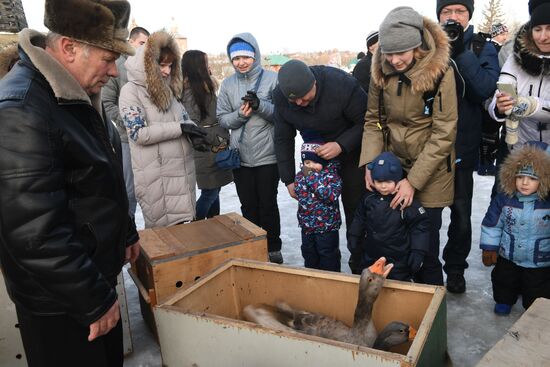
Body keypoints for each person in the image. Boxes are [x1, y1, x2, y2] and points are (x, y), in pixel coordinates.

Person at [0, 0, 140, 365]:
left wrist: (124, 231)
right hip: (63, 307)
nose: (113, 72)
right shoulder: (22, 110)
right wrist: (93, 299)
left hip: (88, 283)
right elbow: (33, 232)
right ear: (69, 48)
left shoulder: (75, 93)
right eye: (108, 59)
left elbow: (97, 174)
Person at [361, 6, 458, 286]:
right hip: (393, 167)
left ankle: (430, 315)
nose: (394, 60)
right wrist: (372, 163)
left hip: (432, 171)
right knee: (393, 246)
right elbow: (373, 120)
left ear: (416, 46)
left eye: (400, 53)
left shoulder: (441, 71)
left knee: (424, 249)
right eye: (388, 53)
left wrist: (413, 182)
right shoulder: (381, 68)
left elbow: (444, 132)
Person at [273, 59, 367, 274]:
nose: (299, 104)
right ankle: (321, 272)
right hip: (316, 161)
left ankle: (359, 266)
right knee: (317, 216)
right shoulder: (280, 98)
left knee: (355, 209)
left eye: (304, 97)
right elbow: (283, 138)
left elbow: (368, 121)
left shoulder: (341, 84)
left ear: (313, 82)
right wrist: (288, 178)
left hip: (351, 151)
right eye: (294, 101)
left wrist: (341, 145)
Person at [437, 0, 500, 293]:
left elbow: (485, 89)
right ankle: (427, 269)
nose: (453, 17)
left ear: (469, 15)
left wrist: (460, 51)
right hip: (430, 150)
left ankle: (455, 269)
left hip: (463, 147)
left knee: (460, 215)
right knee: (427, 214)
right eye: (446, 12)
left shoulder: (480, 48)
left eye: (459, 12)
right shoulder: (426, 45)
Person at [120, 30, 207, 228]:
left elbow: (184, 120)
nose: (167, 71)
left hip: (181, 177)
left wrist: (196, 135)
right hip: (157, 179)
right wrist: (180, 128)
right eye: (161, 65)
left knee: (185, 237)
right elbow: (138, 133)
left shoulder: (168, 89)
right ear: (148, 64)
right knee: (165, 241)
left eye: (170, 65)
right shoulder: (130, 91)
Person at [217, 33, 283, 263]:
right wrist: (239, 115)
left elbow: (281, 115)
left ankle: (273, 246)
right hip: (241, 156)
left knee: (268, 204)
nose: (241, 62)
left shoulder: (272, 80)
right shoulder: (227, 85)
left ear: (254, 55)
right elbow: (223, 120)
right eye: (236, 58)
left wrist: (260, 106)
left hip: (268, 155)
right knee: (248, 205)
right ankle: (253, 246)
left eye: (245, 56)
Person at [480, 142, 550, 315]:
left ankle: (533, 309)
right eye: (520, 177)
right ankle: (504, 301)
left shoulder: (547, 204)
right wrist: (490, 247)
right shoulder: (504, 199)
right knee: (503, 280)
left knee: (537, 287)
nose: (524, 183)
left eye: (532, 179)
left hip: (539, 259)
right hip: (508, 255)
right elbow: (492, 224)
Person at [349, 152, 430, 281]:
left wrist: (418, 251)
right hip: (371, 255)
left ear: (397, 179)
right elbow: (359, 219)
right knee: (370, 284)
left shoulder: (406, 201)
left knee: (397, 287)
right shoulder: (368, 199)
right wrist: (354, 236)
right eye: (378, 181)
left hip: (398, 260)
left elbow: (420, 227)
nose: (383, 185)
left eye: (388, 181)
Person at [488, 0, 550, 154]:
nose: (543, 37)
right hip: (518, 150)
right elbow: (501, 91)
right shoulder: (516, 58)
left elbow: (531, 106)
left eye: (549, 28)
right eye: (537, 29)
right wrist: (499, 107)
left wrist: (533, 106)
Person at [102, 26, 150, 217]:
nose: (145, 48)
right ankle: (127, 230)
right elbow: (107, 102)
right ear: (131, 42)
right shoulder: (117, 66)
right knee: (130, 190)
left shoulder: (150, 66)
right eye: (142, 44)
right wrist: (129, 123)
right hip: (127, 138)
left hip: (151, 136)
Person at [181, 50, 233, 220]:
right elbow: (192, 123)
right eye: (205, 62)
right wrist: (213, 137)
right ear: (197, 67)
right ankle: (197, 223)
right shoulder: (190, 91)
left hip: (216, 144)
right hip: (205, 147)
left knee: (214, 188)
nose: (208, 65)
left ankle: (213, 223)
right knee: (210, 191)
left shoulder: (205, 86)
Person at [295, 131, 342, 272]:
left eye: (315, 162)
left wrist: (310, 177)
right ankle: (312, 285)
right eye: (307, 162)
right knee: (310, 257)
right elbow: (300, 195)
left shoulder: (331, 176)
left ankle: (331, 284)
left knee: (328, 257)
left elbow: (330, 195)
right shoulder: (300, 176)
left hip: (327, 227)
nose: (311, 166)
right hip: (307, 227)